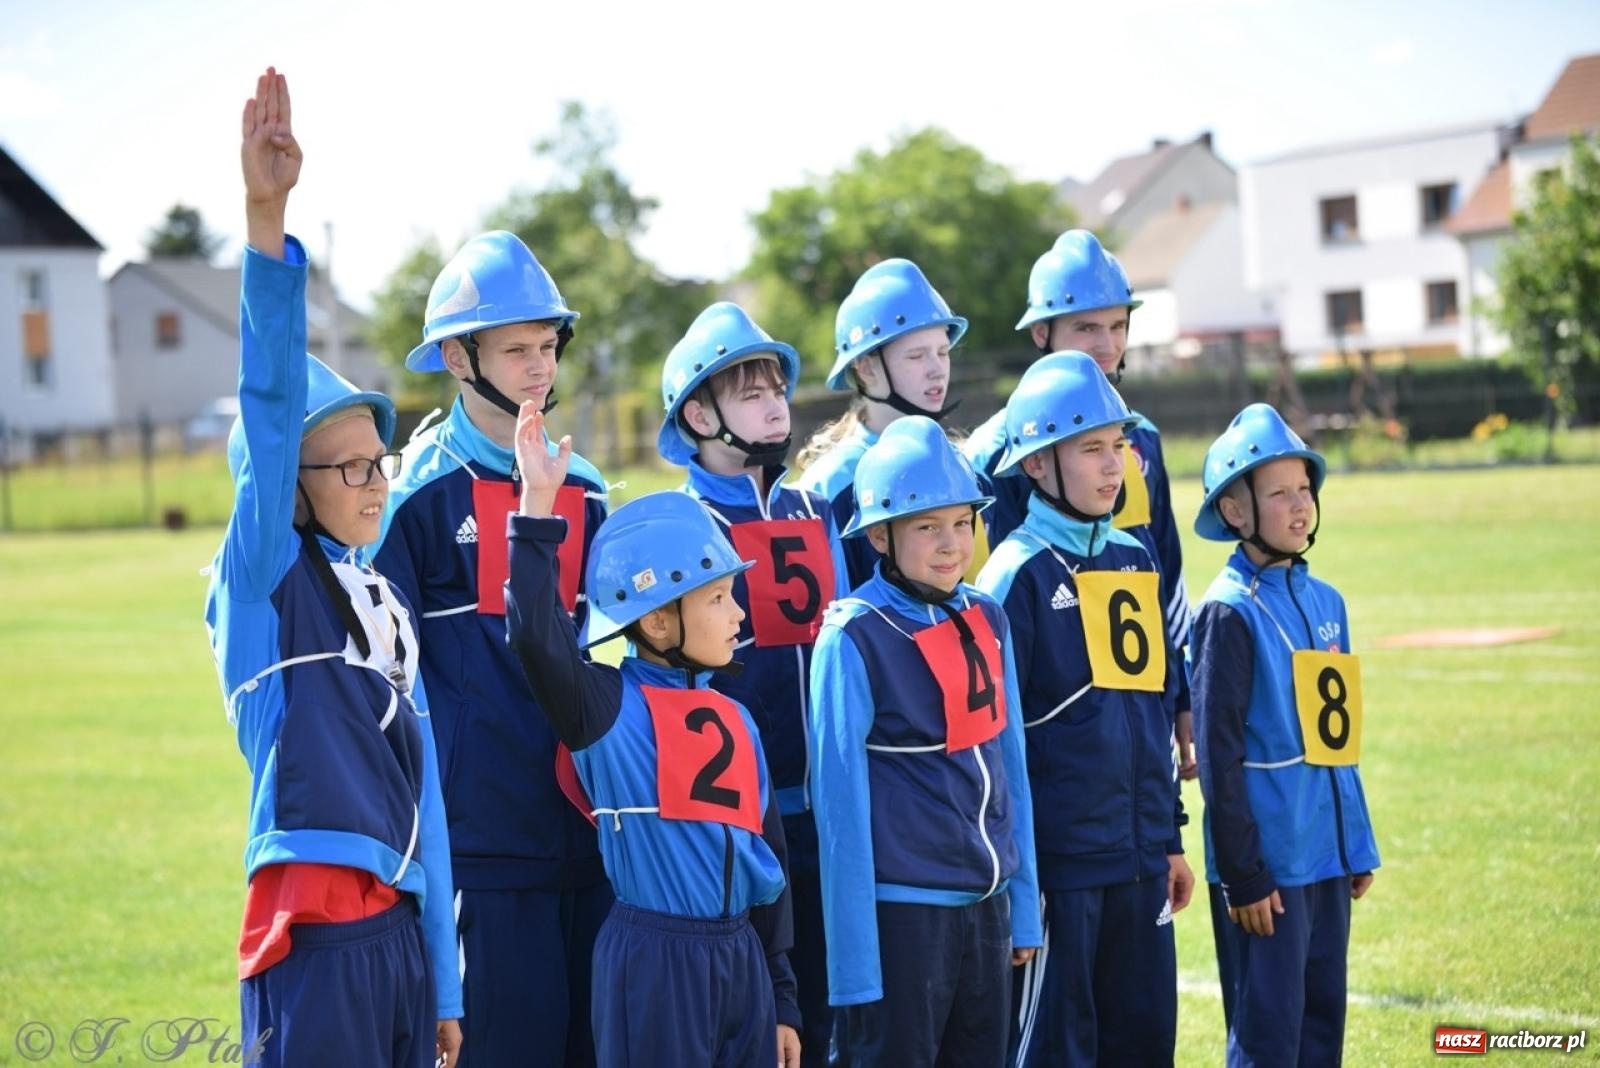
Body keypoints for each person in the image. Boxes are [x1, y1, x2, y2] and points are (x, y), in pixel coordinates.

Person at [205, 67, 461, 1068]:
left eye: (381, 463)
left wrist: (443, 978)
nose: (375, 482)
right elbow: (269, 410)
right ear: (290, 486)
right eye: (349, 465)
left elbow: (428, 798)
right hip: (312, 937)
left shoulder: (384, 600)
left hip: (400, 938)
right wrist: (267, 224)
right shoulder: (265, 584)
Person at [373, 230, 612, 1065]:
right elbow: (383, 689)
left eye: (547, 346)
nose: (540, 367)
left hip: (593, 834)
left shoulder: (587, 491)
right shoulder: (412, 501)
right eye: (516, 349)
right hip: (480, 849)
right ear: (455, 356)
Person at [504, 402, 802, 1067]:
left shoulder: (738, 718)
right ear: (660, 623)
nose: (738, 614)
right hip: (655, 959)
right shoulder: (603, 706)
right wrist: (536, 509)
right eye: (718, 599)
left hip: (742, 960)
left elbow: (768, 863)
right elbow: (535, 637)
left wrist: (782, 996)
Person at [974, 352, 1192, 1066]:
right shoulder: (1015, 574)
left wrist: (1169, 839)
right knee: (1059, 1052)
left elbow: (1152, 712)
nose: (1114, 467)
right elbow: (998, 755)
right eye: (1091, 449)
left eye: (1119, 447)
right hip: (1062, 877)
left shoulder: (1135, 557)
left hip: (1138, 863)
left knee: (1143, 1045)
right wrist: (1024, 886)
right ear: (1036, 465)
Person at [809, 415, 1041, 1067]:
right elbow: (840, 815)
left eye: (962, 523)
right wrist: (855, 967)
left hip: (987, 912)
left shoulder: (986, 614)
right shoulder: (854, 634)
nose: (951, 543)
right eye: (927, 526)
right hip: (903, 923)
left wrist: (1021, 907)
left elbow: (1011, 768)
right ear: (880, 534)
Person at [657, 302, 851, 1066]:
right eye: (750, 392)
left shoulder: (813, 506)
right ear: (699, 414)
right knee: (757, 1019)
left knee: (835, 1011)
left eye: (776, 389)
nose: (775, 405)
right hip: (736, 817)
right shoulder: (683, 519)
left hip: (830, 813)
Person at [963, 230, 1197, 780]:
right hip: (1057, 723)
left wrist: (1181, 692)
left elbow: (1166, 572)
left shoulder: (1141, 440)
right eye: (1086, 327)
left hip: (1137, 703)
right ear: (1042, 332)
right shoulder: (997, 450)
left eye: (1117, 326)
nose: (1107, 344)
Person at [1189, 403, 1380, 1066]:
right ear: (1236, 511)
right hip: (1268, 869)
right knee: (1268, 1035)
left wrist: (1355, 842)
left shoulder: (1327, 602)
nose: (1299, 507)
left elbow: (1339, 739)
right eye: (1279, 494)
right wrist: (1244, 873)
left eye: (1306, 490)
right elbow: (1218, 757)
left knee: (1321, 1026)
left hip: (1325, 857)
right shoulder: (1227, 611)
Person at [797, 258, 981, 590]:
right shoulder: (831, 485)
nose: (937, 369)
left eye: (943, 352)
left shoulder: (961, 465)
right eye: (916, 356)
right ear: (865, 367)